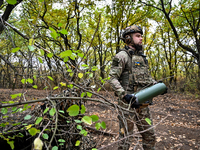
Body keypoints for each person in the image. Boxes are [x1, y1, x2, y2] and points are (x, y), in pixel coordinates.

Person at [109, 25, 156, 150]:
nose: (141, 39)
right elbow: (112, 78)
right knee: (125, 139)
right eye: (138, 36)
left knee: (150, 136)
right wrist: (124, 95)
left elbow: (145, 79)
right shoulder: (122, 56)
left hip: (143, 103)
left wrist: (157, 86)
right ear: (128, 38)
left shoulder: (141, 57)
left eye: (141, 36)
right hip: (127, 104)